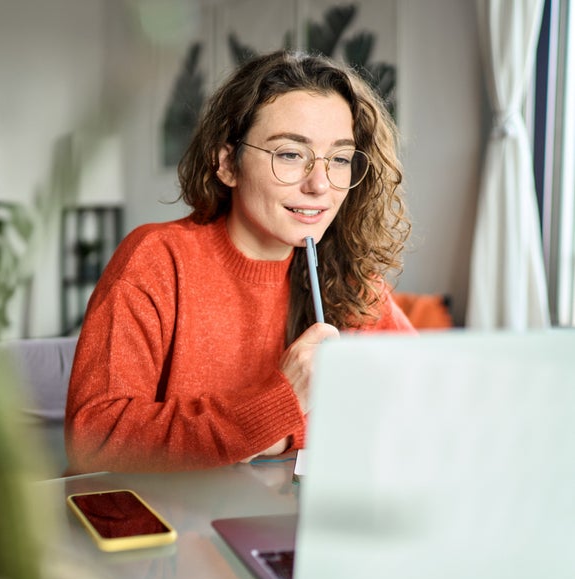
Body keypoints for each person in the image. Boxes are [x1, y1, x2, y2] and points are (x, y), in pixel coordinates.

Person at [64, 49, 415, 473]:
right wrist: (280, 406)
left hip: (293, 526)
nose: (320, 184)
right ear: (227, 162)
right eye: (289, 154)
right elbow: (95, 441)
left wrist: (283, 432)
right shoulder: (157, 260)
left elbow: (422, 402)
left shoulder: (348, 276)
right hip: (164, 528)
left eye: (339, 159)